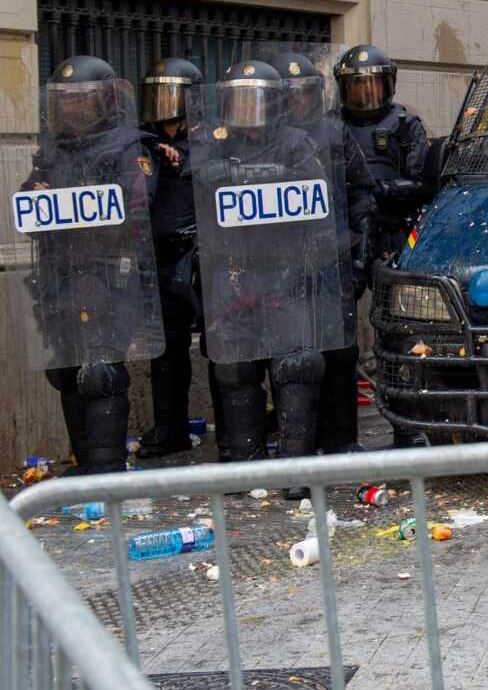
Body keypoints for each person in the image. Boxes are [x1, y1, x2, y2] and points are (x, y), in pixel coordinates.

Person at [21, 56, 160, 474]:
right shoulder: (50, 151)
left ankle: (108, 469)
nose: (73, 109)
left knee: (100, 373)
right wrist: (38, 194)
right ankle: (83, 463)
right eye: (66, 102)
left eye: (82, 101)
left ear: (102, 102)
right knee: (65, 371)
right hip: (59, 276)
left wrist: (67, 199)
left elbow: (136, 202)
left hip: (106, 275)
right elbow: (31, 206)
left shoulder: (128, 146)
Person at [190, 60, 333, 463]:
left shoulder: (294, 141)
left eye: (255, 99)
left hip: (285, 272)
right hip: (235, 273)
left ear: (274, 103)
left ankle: (295, 465)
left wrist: (247, 177)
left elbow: (316, 197)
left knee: (296, 368)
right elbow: (197, 184)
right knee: (234, 371)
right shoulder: (217, 142)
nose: (246, 108)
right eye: (238, 99)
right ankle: (245, 465)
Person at [268, 50, 375, 475]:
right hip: (278, 266)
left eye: (305, 93)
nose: (297, 102)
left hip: (329, 257)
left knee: (341, 353)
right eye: (289, 95)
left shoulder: (335, 132)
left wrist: (361, 254)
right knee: (293, 360)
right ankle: (295, 445)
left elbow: (361, 192)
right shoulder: (259, 137)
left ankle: (341, 440)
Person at [334, 44, 430, 448]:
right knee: (337, 339)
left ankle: (406, 428)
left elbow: (424, 180)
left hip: (392, 236)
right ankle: (340, 434)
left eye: (372, 86)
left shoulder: (404, 124)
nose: (365, 96)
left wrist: (391, 191)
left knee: (400, 334)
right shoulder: (331, 125)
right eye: (357, 87)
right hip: (348, 236)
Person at [136, 57, 204, 459]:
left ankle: (237, 432)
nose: (163, 104)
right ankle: (170, 429)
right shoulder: (143, 141)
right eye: (157, 94)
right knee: (165, 350)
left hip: (198, 259)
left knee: (222, 351)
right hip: (158, 261)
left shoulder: (208, 139)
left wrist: (185, 160)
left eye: (172, 95)